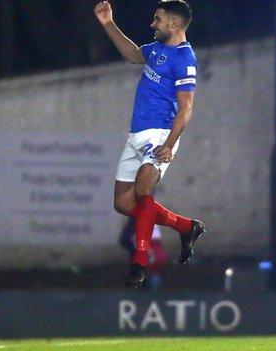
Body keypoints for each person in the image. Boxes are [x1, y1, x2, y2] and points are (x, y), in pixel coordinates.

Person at [94, 0, 206, 288]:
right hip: (136, 135)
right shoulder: (157, 50)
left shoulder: (184, 58)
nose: (152, 24)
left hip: (159, 135)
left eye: (157, 19)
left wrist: (169, 144)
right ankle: (186, 226)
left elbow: (186, 108)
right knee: (123, 204)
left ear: (174, 24)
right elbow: (133, 54)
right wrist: (108, 24)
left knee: (144, 190)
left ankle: (140, 262)